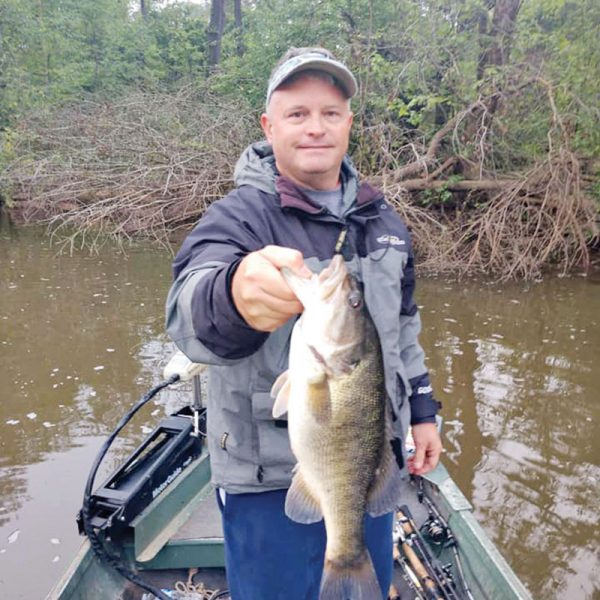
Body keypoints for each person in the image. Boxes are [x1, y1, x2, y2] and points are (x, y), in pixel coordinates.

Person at [166, 47, 442, 600]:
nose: (315, 128)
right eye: (297, 114)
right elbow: (186, 314)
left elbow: (403, 329)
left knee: (361, 586)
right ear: (269, 127)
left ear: (349, 124)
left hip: (367, 459)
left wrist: (422, 411)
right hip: (264, 479)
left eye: (330, 113)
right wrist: (232, 296)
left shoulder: (384, 221)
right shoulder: (237, 217)